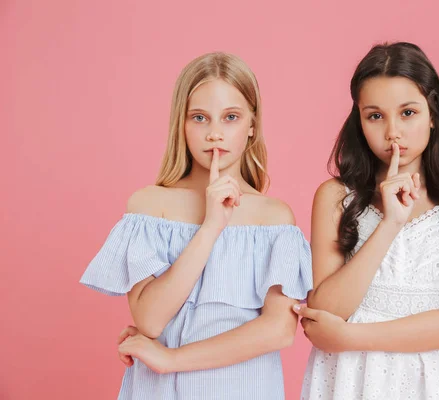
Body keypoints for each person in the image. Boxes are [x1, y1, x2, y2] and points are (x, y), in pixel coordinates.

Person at [80, 52, 312, 400]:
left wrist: (172, 359)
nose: (215, 134)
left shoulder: (275, 219)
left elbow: (278, 331)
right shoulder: (148, 207)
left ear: (252, 125)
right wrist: (210, 227)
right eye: (200, 118)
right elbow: (151, 321)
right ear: (181, 124)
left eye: (230, 117)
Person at [297, 42, 439, 400]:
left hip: (427, 380)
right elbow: (327, 309)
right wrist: (389, 224)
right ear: (360, 121)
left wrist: (348, 337)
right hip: (348, 379)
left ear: (433, 114)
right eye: (375, 115)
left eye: (408, 113)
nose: (392, 132)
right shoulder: (336, 197)